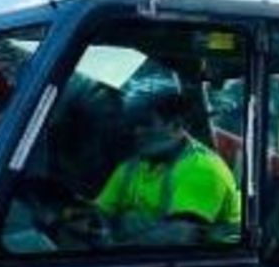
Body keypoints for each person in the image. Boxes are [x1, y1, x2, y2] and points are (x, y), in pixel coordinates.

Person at [95, 79, 242, 245]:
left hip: (207, 266)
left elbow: (180, 236)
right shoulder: (132, 165)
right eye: (134, 123)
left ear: (176, 126)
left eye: (145, 123)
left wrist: (111, 253)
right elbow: (100, 213)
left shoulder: (202, 169)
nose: (137, 131)